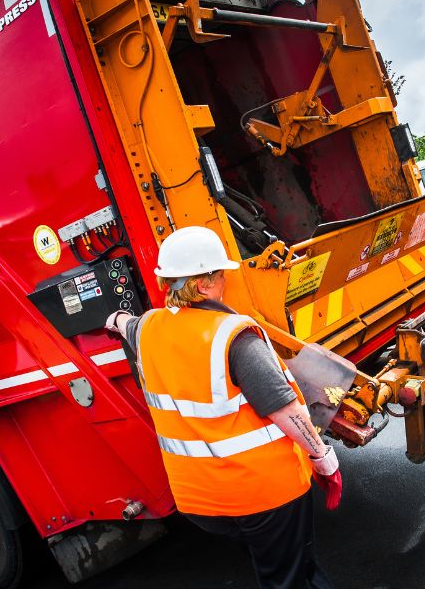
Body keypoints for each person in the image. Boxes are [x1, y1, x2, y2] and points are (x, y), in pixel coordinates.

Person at [105, 226, 340, 589]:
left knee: (278, 564)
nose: (225, 282)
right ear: (203, 284)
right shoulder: (233, 336)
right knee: (290, 576)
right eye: (220, 275)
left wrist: (112, 321)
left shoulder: (149, 328)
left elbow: (124, 324)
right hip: (266, 496)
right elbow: (285, 410)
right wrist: (322, 457)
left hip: (201, 503)